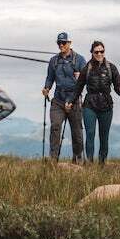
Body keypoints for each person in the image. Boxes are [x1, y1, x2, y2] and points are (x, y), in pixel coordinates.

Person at [74, 40, 120, 164]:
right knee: (90, 133)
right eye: (96, 51)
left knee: (104, 136)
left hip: (106, 105)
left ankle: (102, 163)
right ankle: (90, 163)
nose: (99, 54)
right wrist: (70, 101)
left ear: (104, 52)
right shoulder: (86, 68)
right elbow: (78, 88)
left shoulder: (111, 68)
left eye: (101, 51)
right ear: (92, 53)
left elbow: (118, 85)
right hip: (89, 105)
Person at [42, 32, 87, 162]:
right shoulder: (53, 61)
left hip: (74, 100)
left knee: (77, 132)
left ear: (69, 43)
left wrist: (79, 78)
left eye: (64, 42)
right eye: (59, 43)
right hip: (58, 99)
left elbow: (84, 81)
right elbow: (50, 78)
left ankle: (77, 158)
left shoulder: (80, 59)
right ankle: (53, 159)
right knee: (55, 126)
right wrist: (47, 88)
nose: (61, 45)